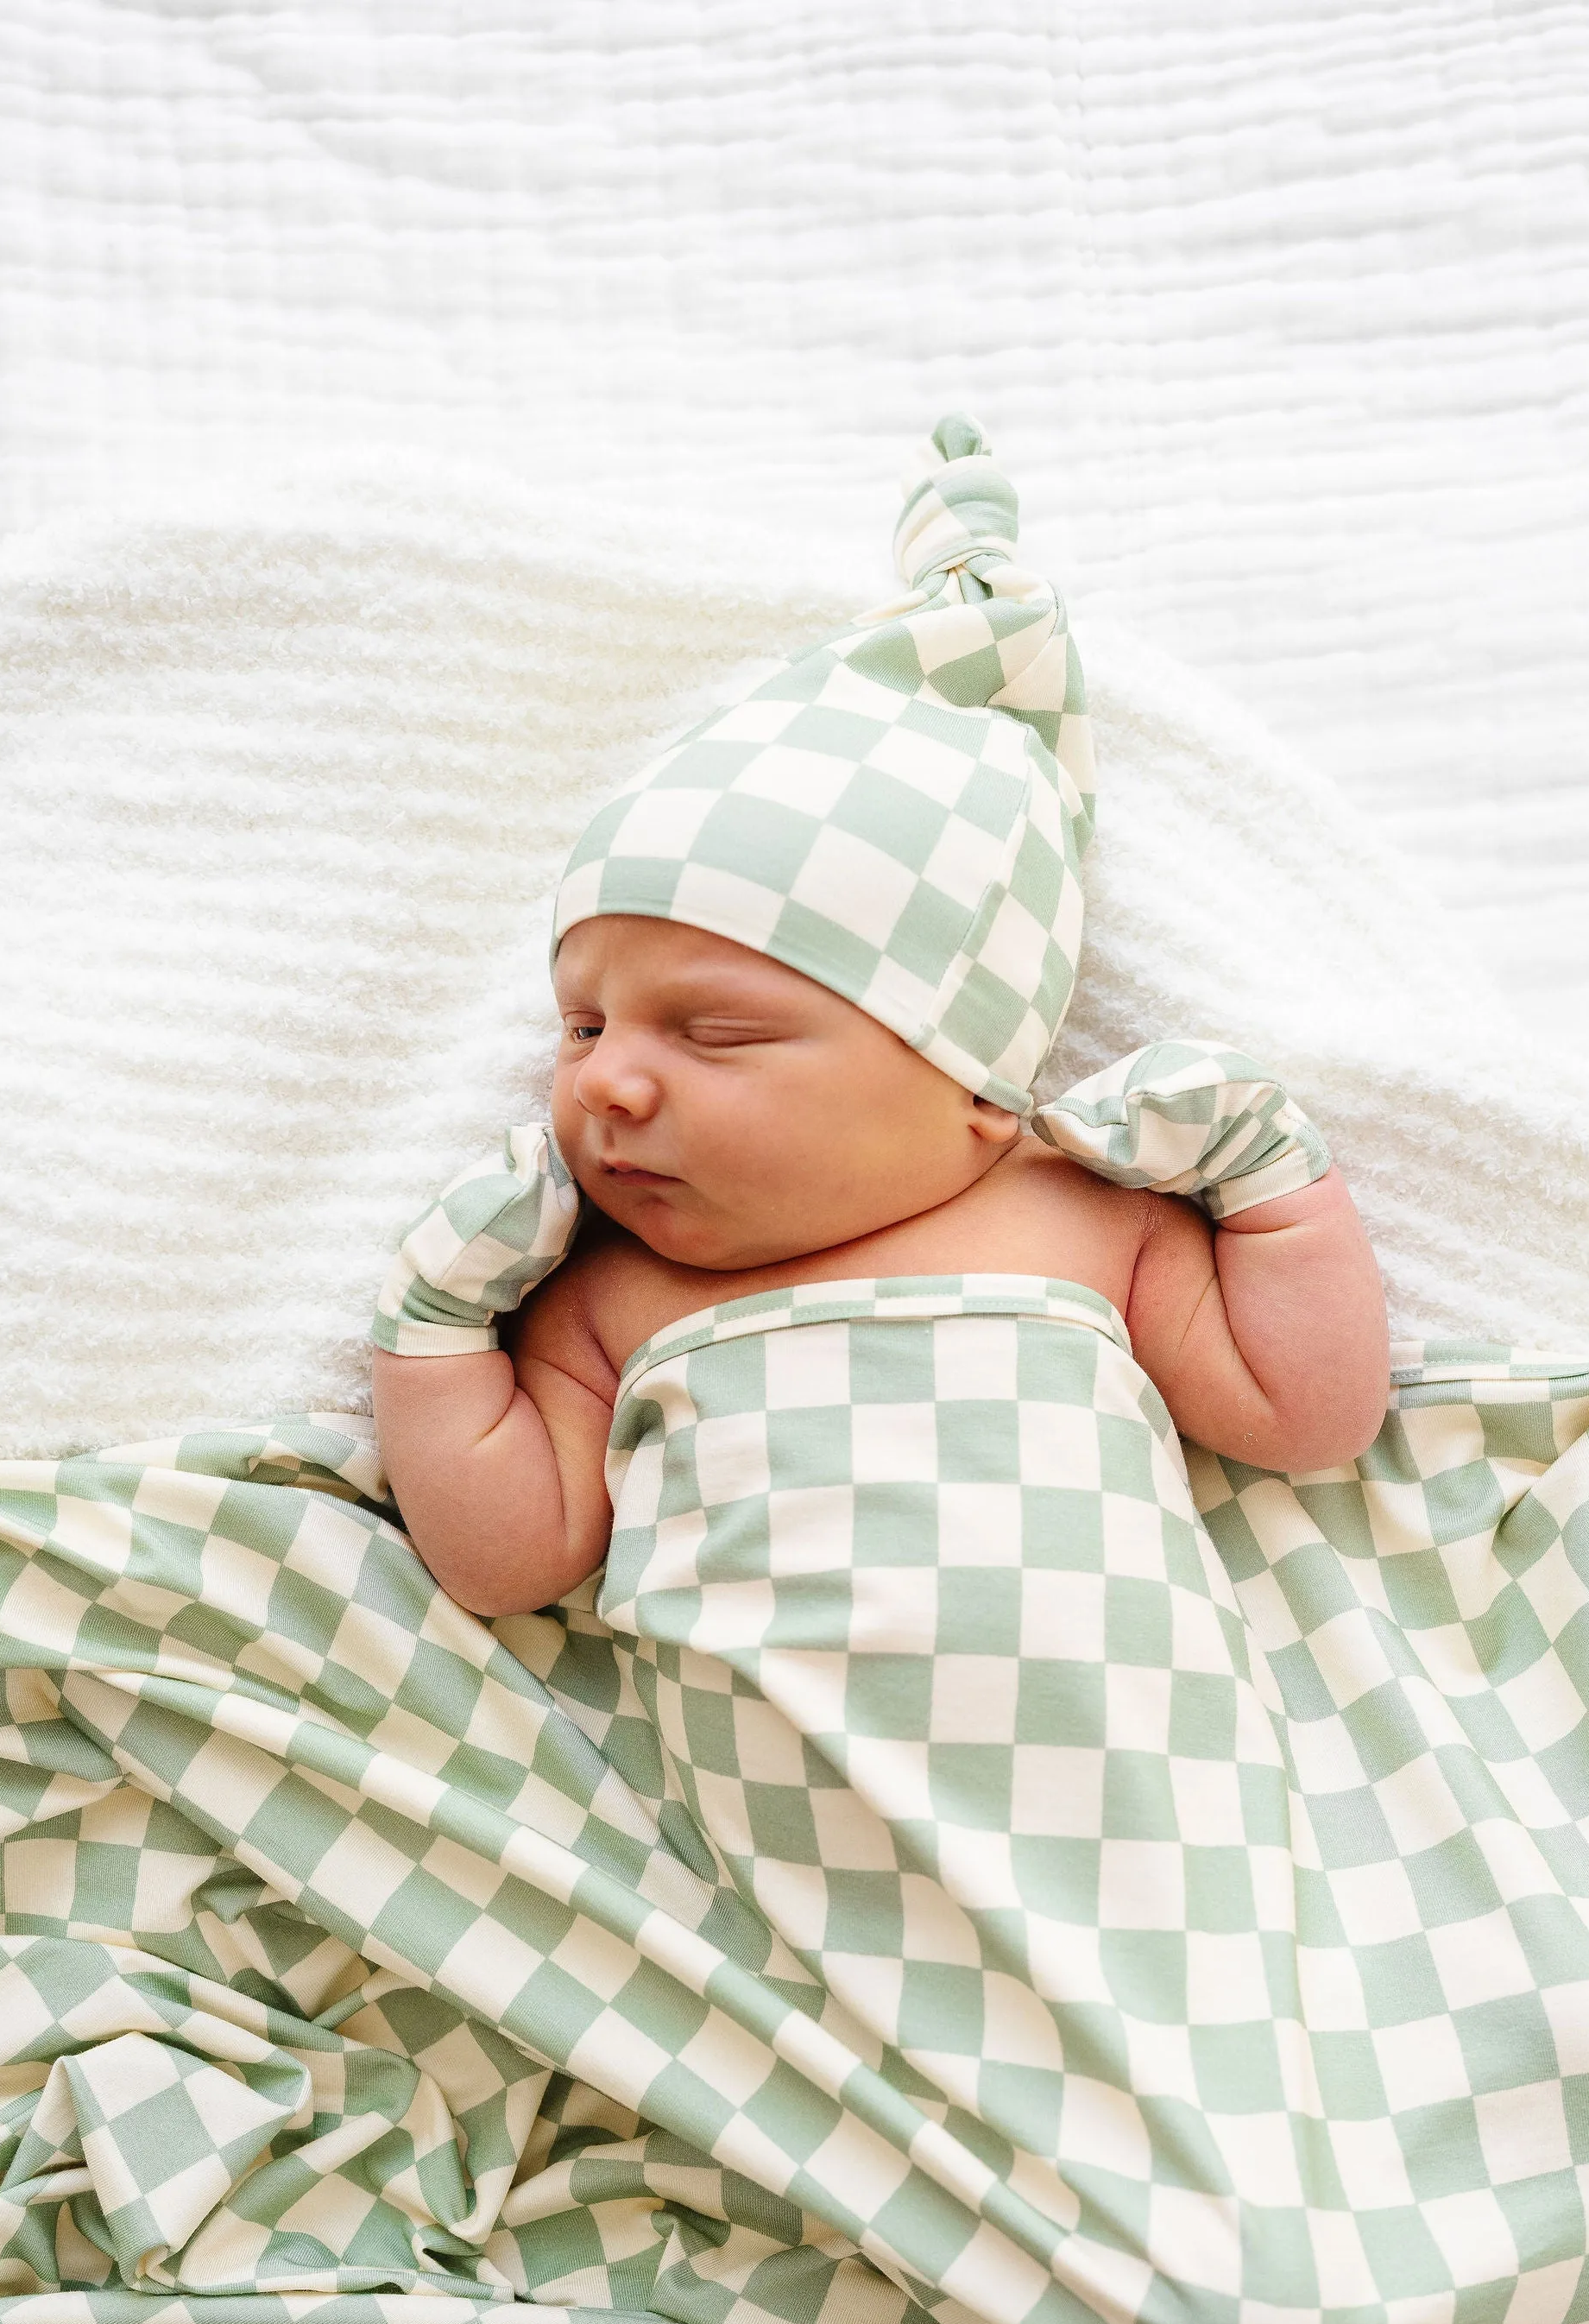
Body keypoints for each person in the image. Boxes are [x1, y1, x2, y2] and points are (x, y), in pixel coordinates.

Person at [372, 415, 1388, 1623]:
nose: (605, 1085)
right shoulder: (612, 1301)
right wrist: (433, 1334)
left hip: (1143, 1786)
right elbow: (505, 1564)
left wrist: (1274, 1191)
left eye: (713, 1033)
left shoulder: (1082, 1227)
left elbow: (1312, 1421)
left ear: (973, 1084)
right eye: (584, 1026)